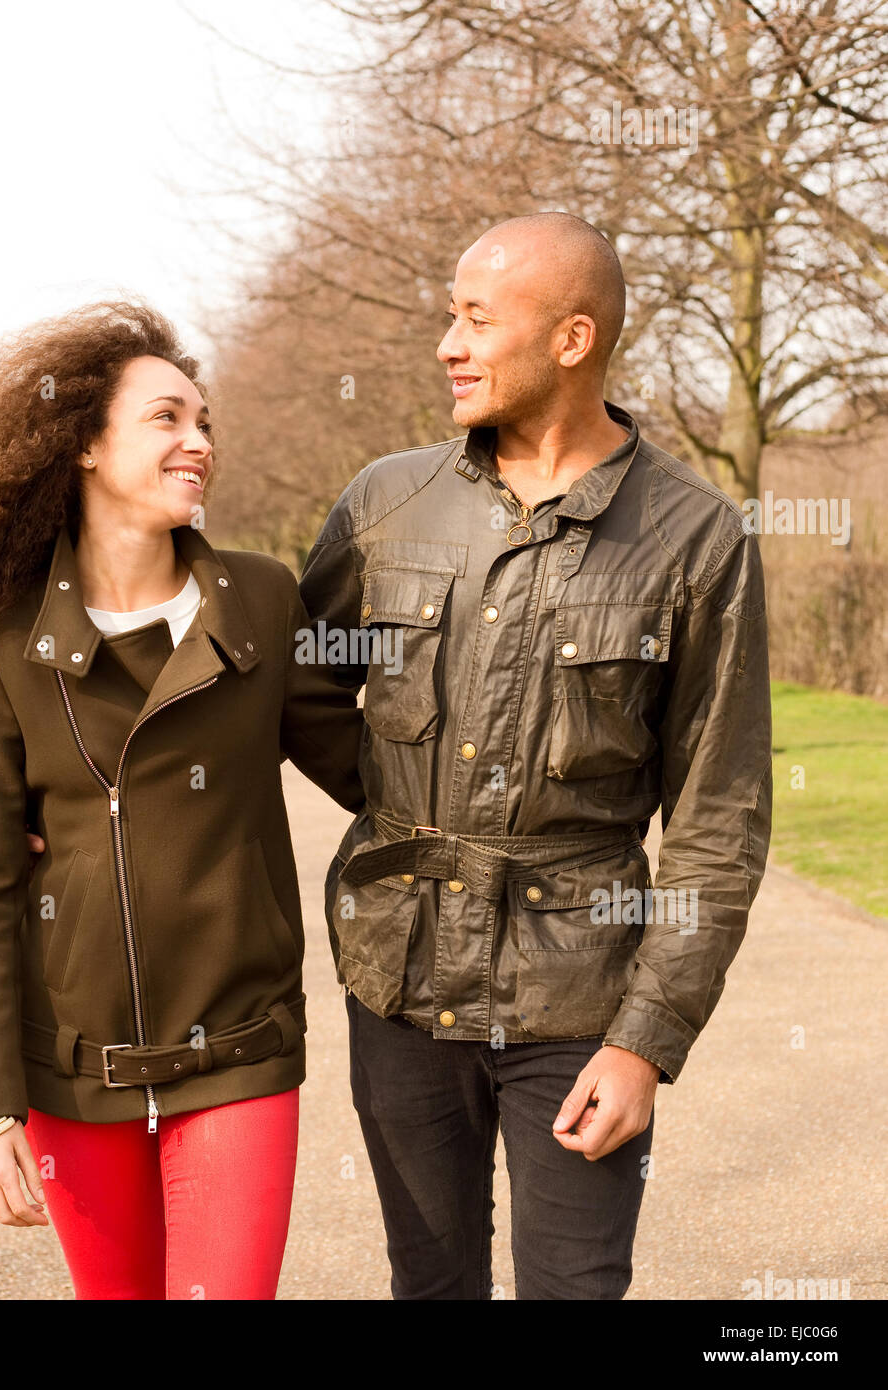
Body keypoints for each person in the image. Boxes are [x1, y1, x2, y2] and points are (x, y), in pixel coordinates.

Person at [300, 212, 772, 1299]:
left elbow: (721, 813)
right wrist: (396, 803)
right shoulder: (385, 502)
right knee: (431, 1284)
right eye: (447, 318)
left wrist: (646, 1041)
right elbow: (290, 686)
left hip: (583, 1001)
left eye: (475, 318)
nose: (447, 345)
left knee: (578, 1288)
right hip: (402, 980)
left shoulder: (698, 537)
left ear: (571, 339)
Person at [0, 300, 365, 1300]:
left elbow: (373, 772)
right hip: (72, 1074)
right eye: (167, 419)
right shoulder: (3, 642)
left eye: (205, 421)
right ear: (87, 446)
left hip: (238, 1054)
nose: (200, 442)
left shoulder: (264, 600)